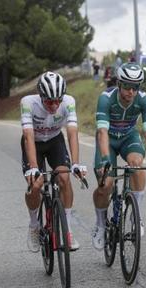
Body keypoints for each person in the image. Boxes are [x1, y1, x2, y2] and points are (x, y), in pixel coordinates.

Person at [91, 63, 146, 250]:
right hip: (108, 139)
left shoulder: (144, 100)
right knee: (105, 185)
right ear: (119, 84)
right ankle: (100, 225)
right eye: (127, 87)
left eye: (136, 87)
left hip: (128, 138)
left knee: (137, 165)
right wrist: (106, 158)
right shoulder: (106, 99)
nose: (131, 91)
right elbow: (101, 131)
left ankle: (136, 216)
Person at [21, 71, 87, 252]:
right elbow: (28, 135)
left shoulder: (69, 102)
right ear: (41, 96)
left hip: (55, 141)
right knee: (36, 184)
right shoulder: (28, 103)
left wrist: (75, 163)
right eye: (49, 101)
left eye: (58, 100)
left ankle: (68, 230)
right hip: (33, 142)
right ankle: (34, 225)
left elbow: (72, 133)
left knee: (64, 178)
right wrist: (34, 168)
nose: (54, 105)